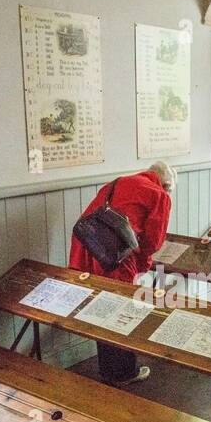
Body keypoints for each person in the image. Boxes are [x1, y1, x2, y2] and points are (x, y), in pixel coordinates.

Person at [69, 161, 175, 385]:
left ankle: (107, 370)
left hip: (88, 251)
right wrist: (143, 264)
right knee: (120, 312)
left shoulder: (115, 183)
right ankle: (123, 372)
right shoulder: (159, 195)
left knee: (100, 307)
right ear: (166, 185)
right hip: (116, 258)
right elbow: (152, 242)